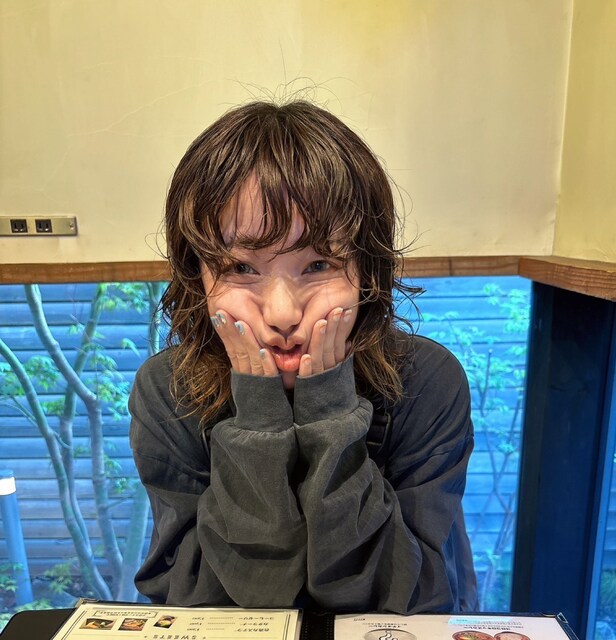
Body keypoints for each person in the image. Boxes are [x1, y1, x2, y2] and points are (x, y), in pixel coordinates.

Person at [129, 100, 478, 613]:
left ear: (367, 270)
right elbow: (190, 595)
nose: (283, 313)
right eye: (241, 268)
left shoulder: (425, 380)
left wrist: (331, 414)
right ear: (195, 274)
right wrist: (258, 426)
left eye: (318, 265)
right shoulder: (169, 388)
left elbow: (411, 594)